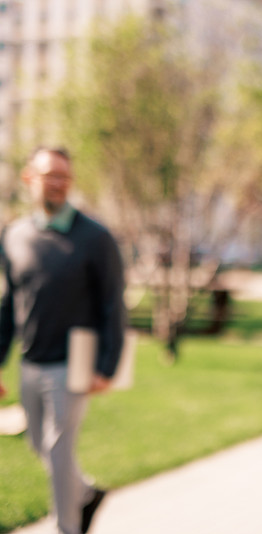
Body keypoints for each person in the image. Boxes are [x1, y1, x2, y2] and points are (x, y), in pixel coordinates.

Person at [0, 147, 127, 534]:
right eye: (49, 175)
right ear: (29, 178)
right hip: (30, 359)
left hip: (74, 361)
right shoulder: (14, 235)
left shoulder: (96, 237)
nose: (57, 183)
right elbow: (8, 304)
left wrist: (107, 367)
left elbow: (113, 305)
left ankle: (66, 527)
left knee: (58, 450)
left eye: (64, 177)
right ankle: (86, 493)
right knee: (38, 442)